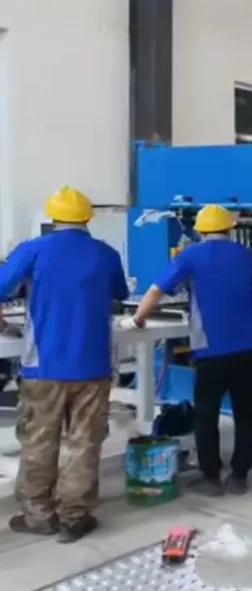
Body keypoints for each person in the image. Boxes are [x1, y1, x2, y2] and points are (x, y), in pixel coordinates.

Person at [0, 187, 129, 543]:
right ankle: (74, 518)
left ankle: (39, 516)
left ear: (53, 217)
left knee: (39, 443)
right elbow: (120, 294)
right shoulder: (105, 253)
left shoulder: (32, 250)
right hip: (93, 366)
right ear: (88, 218)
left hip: (44, 367)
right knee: (84, 443)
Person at [128, 203, 252, 494]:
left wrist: (138, 319)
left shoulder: (190, 256)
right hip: (249, 345)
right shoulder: (248, 255)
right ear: (229, 229)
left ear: (200, 231)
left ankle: (211, 476)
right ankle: (239, 475)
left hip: (211, 348)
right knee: (245, 412)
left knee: (206, 412)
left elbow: (157, 290)